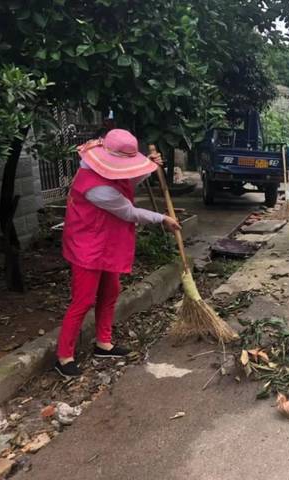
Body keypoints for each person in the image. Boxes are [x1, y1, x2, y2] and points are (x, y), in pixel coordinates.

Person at [56, 129, 181, 378]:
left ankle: (104, 343)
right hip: (87, 245)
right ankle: (64, 356)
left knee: (110, 291)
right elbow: (128, 211)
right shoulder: (93, 186)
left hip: (105, 241)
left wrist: (148, 169)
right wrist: (161, 219)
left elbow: (125, 181)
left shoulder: (104, 171)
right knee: (82, 301)